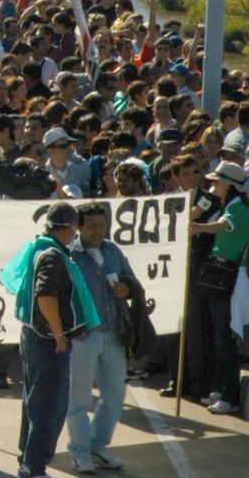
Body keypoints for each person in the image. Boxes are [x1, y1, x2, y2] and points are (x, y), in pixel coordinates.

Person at [1, 201, 100, 478]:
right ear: (69, 228)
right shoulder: (53, 255)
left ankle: (27, 459)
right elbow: (45, 296)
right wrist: (58, 332)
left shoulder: (41, 247)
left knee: (34, 402)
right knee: (50, 408)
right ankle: (34, 468)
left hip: (33, 336)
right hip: (47, 340)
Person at [66, 202, 137, 475]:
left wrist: (126, 288)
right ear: (79, 227)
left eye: (101, 224)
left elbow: (131, 278)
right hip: (84, 336)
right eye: (92, 225)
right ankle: (79, 453)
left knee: (115, 396)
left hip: (114, 334)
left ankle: (98, 446)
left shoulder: (114, 250)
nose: (97, 230)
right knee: (79, 398)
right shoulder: (71, 255)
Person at [188, 160, 249, 415]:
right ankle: (222, 389)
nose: (212, 184)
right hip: (220, 276)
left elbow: (222, 226)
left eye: (217, 181)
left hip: (231, 278)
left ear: (229, 184)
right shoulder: (227, 205)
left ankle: (230, 396)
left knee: (225, 338)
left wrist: (199, 228)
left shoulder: (238, 210)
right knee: (218, 335)